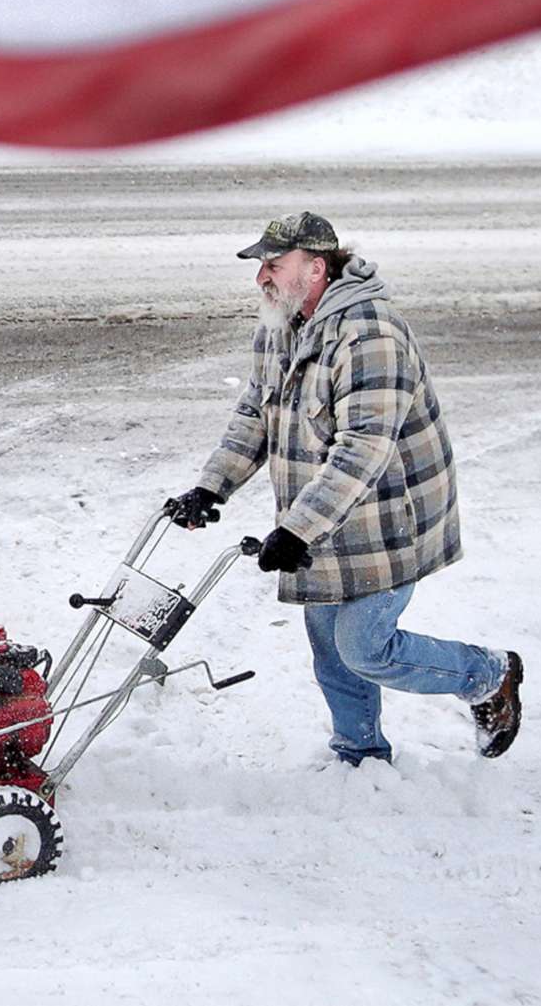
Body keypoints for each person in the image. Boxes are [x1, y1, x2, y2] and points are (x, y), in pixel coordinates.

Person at [165, 211, 523, 766]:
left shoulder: (370, 334)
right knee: (331, 647)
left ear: (315, 267)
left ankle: (489, 675)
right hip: (323, 514)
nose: (261, 276)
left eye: (273, 264)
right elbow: (255, 416)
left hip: (388, 515)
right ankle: (360, 754)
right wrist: (211, 488)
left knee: (364, 647)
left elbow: (363, 449)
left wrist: (295, 528)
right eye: (260, 264)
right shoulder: (279, 327)